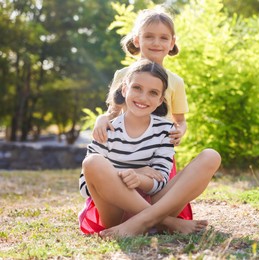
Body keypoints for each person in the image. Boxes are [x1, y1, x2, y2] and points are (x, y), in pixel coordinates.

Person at [79, 59, 221, 238]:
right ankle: (166, 222)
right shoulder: (106, 130)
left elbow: (160, 181)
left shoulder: (165, 130)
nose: (143, 97)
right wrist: (135, 172)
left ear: (160, 99)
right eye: (137, 88)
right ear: (124, 89)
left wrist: (140, 179)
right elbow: (86, 186)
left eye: (153, 93)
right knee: (92, 162)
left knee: (211, 156)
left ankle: (142, 223)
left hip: (156, 203)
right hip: (115, 213)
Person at [92, 6, 192, 220]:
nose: (157, 43)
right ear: (137, 40)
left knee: (158, 189)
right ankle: (152, 219)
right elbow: (113, 112)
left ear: (171, 43)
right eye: (149, 36)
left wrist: (180, 131)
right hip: (126, 153)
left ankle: (154, 217)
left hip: (158, 154)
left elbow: (180, 121)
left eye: (163, 38)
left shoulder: (176, 82)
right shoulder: (123, 75)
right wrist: (101, 119)